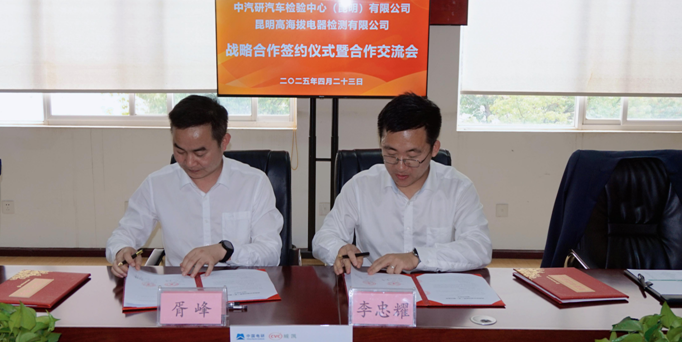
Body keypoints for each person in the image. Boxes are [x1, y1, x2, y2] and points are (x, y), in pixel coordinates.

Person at [312, 92, 492, 275]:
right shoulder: (360, 186)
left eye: (412, 156)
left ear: (434, 149)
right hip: (375, 284)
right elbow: (323, 238)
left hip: (435, 286)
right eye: (391, 154)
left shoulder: (458, 188)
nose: (400, 166)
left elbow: (479, 247)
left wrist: (418, 257)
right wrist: (339, 249)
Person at [106, 95, 283, 278]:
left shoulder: (254, 183)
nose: (189, 162)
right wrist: (121, 250)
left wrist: (225, 251)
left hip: (238, 284)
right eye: (180, 151)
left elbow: (271, 252)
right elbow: (123, 234)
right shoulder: (157, 184)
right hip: (180, 284)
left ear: (224, 142)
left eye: (199, 153)